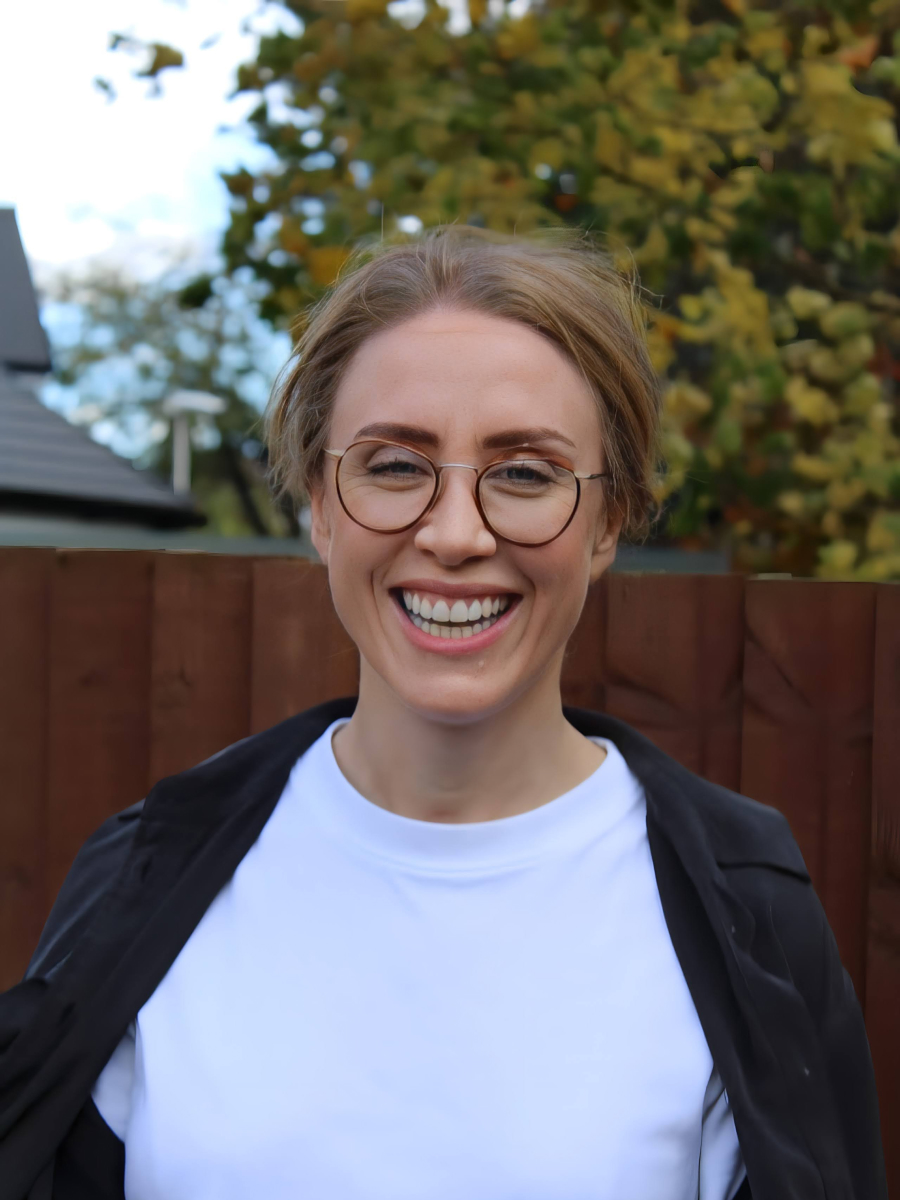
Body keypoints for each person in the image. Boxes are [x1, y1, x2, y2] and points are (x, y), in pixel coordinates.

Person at [0, 228, 885, 1200]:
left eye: (524, 473)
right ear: (319, 505)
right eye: (392, 466)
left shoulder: (742, 913)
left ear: (608, 521)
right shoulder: (148, 878)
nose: (456, 533)